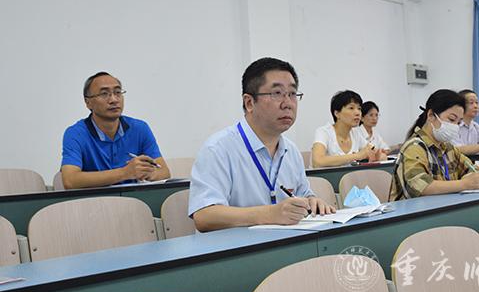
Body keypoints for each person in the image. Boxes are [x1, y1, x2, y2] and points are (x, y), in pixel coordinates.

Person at [188, 57, 335, 232]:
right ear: (249, 103)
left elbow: (302, 195)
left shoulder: (290, 150)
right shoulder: (218, 149)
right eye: (277, 93)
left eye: (292, 94)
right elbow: (204, 216)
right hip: (236, 247)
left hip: (284, 243)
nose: (288, 104)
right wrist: (269, 214)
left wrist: (312, 202)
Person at [61, 72, 170, 189]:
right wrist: (125, 173)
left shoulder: (140, 128)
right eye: (104, 94)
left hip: (134, 198)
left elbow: (164, 172)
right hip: (95, 199)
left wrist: (148, 173)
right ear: (88, 102)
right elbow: (70, 181)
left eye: (117, 92)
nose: (114, 99)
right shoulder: (75, 134)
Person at [390, 89, 479, 199]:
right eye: (451, 119)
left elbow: (472, 168)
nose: (455, 126)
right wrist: (463, 184)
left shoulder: (448, 148)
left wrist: (475, 177)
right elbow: (421, 186)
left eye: (459, 122)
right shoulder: (414, 147)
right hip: (415, 209)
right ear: (431, 115)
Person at [311, 91, 386, 168]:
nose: (358, 113)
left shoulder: (355, 133)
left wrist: (378, 155)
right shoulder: (324, 132)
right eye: (351, 108)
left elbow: (373, 151)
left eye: (359, 108)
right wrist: (358, 156)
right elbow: (318, 161)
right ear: (337, 113)